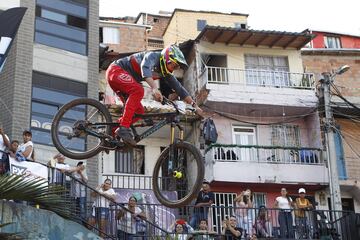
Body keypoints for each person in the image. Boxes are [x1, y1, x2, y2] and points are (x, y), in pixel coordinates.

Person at [106, 45, 203, 146]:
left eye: (176, 68)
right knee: (138, 90)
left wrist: (195, 106)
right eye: (174, 66)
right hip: (116, 71)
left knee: (138, 111)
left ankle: (111, 132)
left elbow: (179, 89)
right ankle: (124, 128)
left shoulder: (165, 72)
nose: (173, 70)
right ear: (167, 59)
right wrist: (154, 88)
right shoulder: (152, 56)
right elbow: (145, 67)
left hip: (122, 80)